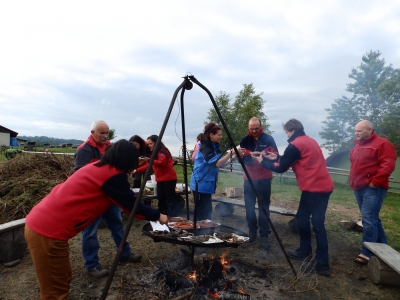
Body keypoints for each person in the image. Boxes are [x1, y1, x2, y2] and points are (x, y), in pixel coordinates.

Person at [24, 139, 168, 299]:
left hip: (42, 223)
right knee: (54, 292)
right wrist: (158, 216)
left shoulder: (99, 166)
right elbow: (131, 206)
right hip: (47, 232)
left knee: (63, 278)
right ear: (127, 159)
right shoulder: (112, 175)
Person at [253, 118, 334, 276]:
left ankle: (322, 263)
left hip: (313, 189)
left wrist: (262, 161)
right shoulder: (310, 141)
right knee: (304, 219)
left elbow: (281, 168)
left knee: (315, 224)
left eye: (287, 132)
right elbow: (294, 159)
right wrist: (275, 157)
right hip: (324, 187)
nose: (286, 136)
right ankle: (305, 250)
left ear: (292, 131)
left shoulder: (295, 144)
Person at [75, 121, 141, 279]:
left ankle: (124, 254)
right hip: (94, 198)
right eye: (102, 133)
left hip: (110, 197)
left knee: (117, 224)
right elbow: (78, 173)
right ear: (92, 132)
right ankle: (92, 265)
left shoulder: (111, 147)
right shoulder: (84, 149)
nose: (105, 136)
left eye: (107, 133)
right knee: (90, 232)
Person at [350, 120, 397, 265]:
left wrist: (375, 182)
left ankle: (367, 252)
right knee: (372, 219)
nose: (356, 133)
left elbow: (388, 164)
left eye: (359, 130)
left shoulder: (382, 144)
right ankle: (382, 246)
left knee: (368, 219)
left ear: (370, 130)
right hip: (358, 186)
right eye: (355, 131)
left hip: (373, 188)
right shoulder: (357, 147)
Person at [190, 122, 244, 221]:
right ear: (211, 135)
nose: (221, 137)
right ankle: (198, 233)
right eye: (219, 135)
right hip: (200, 183)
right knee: (202, 214)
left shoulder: (214, 147)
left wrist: (233, 158)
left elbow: (221, 164)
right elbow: (217, 163)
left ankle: (203, 232)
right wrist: (230, 152)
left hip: (206, 184)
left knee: (207, 213)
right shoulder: (205, 147)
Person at [240, 117, 278, 249]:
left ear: (260, 127)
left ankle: (264, 236)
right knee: (249, 207)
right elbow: (241, 158)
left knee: (264, 208)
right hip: (249, 178)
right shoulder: (245, 140)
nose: (254, 131)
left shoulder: (268, 139)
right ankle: (252, 232)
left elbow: (276, 156)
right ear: (248, 128)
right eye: (252, 129)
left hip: (264, 178)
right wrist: (250, 158)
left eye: (256, 128)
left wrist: (264, 156)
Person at [147, 135, 179, 216]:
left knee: (169, 199)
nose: (149, 145)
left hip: (169, 178)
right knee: (161, 198)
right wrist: (137, 170)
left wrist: (149, 160)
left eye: (151, 143)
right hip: (160, 179)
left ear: (156, 143)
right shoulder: (153, 153)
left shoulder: (162, 151)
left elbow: (162, 163)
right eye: (148, 144)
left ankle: (172, 217)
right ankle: (162, 216)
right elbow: (149, 165)